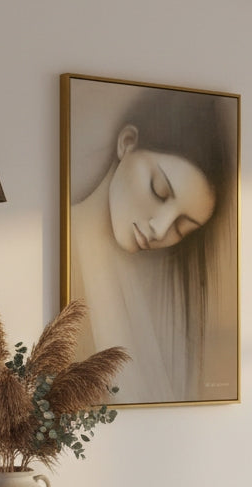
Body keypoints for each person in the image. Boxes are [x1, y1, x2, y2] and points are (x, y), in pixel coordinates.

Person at [68, 84, 238, 405]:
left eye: (182, 226)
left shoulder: (145, 296)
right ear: (127, 143)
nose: (160, 229)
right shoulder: (58, 254)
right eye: (159, 190)